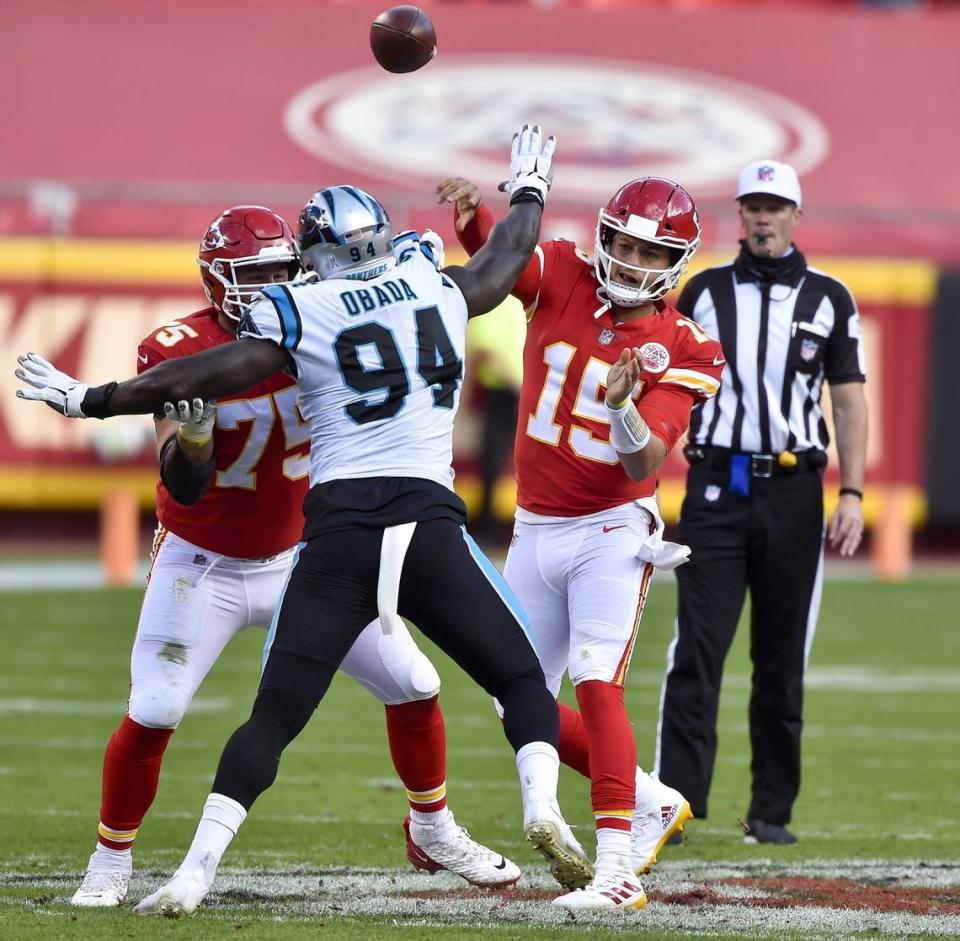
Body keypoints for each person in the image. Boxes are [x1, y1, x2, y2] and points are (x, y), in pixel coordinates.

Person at [17, 126, 591, 916]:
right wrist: (190, 437)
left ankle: (432, 827)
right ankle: (109, 861)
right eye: (250, 277)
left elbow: (236, 356)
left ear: (305, 261)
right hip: (206, 557)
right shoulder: (261, 321)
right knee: (156, 707)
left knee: (412, 685)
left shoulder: (301, 313)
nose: (265, 287)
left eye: (276, 272)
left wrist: (93, 397)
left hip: (308, 552)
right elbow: (185, 486)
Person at [440, 174, 725, 911]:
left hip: (611, 529)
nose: (628, 260)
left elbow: (641, 462)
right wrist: (479, 223)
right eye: (622, 242)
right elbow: (506, 269)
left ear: (677, 259)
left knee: (598, 679)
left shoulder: (685, 344)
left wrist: (624, 405)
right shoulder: (564, 271)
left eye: (646, 249)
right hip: (535, 525)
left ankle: (617, 868)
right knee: (517, 700)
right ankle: (650, 798)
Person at [654, 159, 868, 845]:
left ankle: (771, 810)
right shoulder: (704, 291)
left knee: (781, 657)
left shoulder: (831, 297)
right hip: (717, 486)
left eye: (775, 206)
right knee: (697, 647)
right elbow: (665, 375)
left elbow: (848, 397)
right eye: (753, 205)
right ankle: (676, 802)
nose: (763, 217)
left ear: (796, 216)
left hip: (794, 489)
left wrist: (855, 491)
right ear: (740, 214)